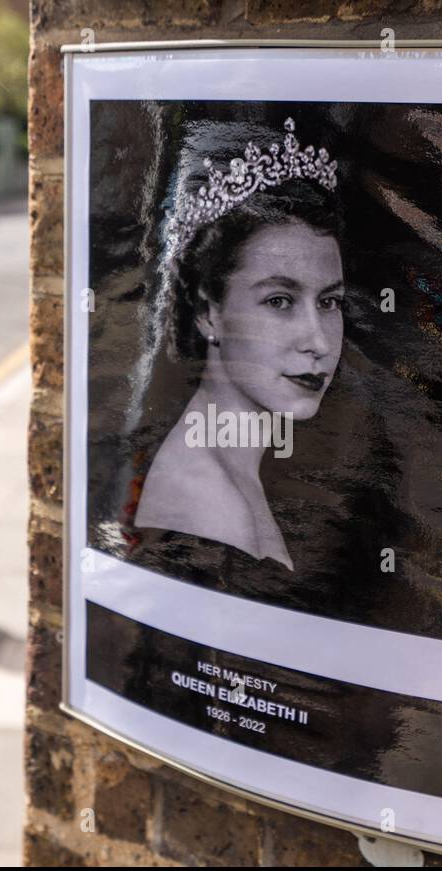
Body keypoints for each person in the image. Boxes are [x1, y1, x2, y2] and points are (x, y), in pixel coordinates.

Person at [134, 119, 344, 570]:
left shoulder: (234, 467)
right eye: (280, 300)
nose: (319, 342)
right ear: (210, 310)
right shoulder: (211, 504)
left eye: (330, 302)